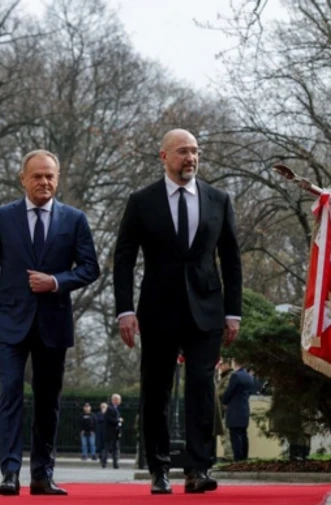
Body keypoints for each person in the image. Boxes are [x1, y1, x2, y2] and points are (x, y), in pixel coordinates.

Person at [113, 128, 242, 495]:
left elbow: (231, 259)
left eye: (195, 151)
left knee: (201, 388)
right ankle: (159, 469)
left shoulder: (219, 199)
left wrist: (233, 313)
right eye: (183, 151)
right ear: (164, 156)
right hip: (158, 310)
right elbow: (124, 259)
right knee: (156, 391)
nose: (191, 158)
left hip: (206, 309)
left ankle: (198, 469)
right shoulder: (142, 201)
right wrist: (125, 311)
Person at [0, 149, 100, 496]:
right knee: (9, 391)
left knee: (48, 400)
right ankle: (10, 473)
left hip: (53, 322)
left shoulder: (74, 219)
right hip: (8, 321)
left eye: (49, 176)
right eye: (37, 176)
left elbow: (90, 268)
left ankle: (42, 475)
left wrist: (55, 281)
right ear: (22, 179)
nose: (44, 182)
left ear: (58, 179)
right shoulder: (2, 217)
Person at [221, 359, 255, 461]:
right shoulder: (248, 376)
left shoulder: (235, 376)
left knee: (234, 434)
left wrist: (224, 402)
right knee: (243, 434)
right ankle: (244, 457)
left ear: (235, 363)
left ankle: (237, 458)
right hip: (244, 408)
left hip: (234, 409)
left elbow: (229, 391)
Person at [216, 360, 234, 462]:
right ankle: (228, 455)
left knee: (226, 434)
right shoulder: (224, 376)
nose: (220, 366)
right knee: (224, 434)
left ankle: (229, 456)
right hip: (222, 409)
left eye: (221, 364)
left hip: (225, 409)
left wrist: (216, 392)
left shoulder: (229, 376)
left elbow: (226, 390)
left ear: (227, 364)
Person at [101, 394, 122, 469]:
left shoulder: (116, 408)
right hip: (110, 432)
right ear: (114, 400)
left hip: (115, 432)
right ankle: (104, 463)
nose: (120, 401)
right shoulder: (109, 408)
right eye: (119, 399)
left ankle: (115, 464)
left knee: (115, 448)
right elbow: (108, 419)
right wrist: (118, 420)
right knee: (107, 448)